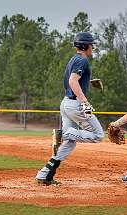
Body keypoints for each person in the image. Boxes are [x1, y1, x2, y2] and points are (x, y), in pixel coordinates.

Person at [35, 32, 104, 185]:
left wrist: (87, 82)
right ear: (85, 46)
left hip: (66, 103)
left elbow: (71, 80)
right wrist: (85, 102)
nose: (93, 47)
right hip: (76, 104)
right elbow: (73, 81)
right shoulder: (82, 61)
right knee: (98, 135)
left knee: (70, 142)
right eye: (91, 44)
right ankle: (64, 133)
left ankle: (45, 174)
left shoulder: (74, 59)